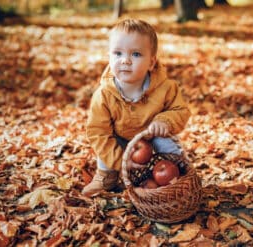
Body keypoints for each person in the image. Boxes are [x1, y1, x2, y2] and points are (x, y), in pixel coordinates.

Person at [82, 19, 191, 197]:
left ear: (151, 62)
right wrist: (121, 161)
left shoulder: (166, 88)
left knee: (168, 144)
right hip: (120, 137)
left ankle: (176, 177)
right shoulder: (103, 95)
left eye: (136, 54)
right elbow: (97, 132)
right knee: (105, 146)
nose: (125, 60)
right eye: (117, 53)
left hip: (152, 135)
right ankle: (105, 176)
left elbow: (181, 110)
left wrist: (164, 120)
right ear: (109, 56)